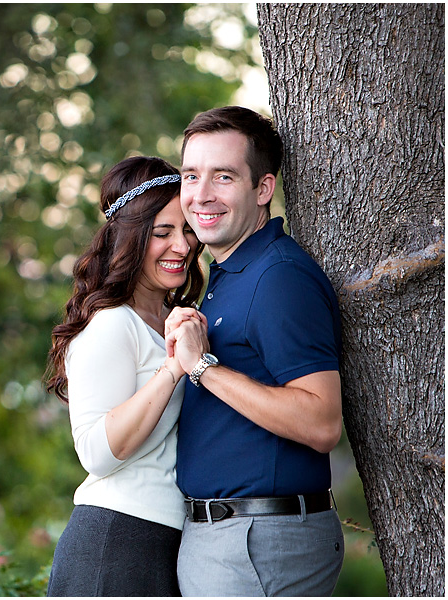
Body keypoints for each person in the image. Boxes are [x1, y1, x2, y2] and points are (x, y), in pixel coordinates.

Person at [164, 106, 345, 596]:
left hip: (259, 542)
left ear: (262, 189)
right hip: (234, 540)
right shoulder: (230, 271)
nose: (201, 195)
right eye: (191, 176)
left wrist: (203, 367)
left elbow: (322, 422)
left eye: (223, 177)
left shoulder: (278, 277)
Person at [44, 156, 206, 596]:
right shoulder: (113, 323)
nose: (183, 245)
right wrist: (174, 368)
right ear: (132, 238)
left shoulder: (174, 318)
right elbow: (96, 452)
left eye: (188, 229)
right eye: (163, 232)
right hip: (116, 543)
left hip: (168, 542)